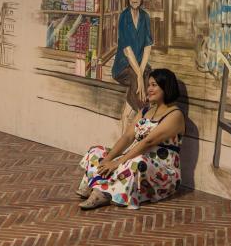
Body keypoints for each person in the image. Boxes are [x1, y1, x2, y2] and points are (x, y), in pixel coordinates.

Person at [77, 68, 184, 210]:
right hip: (135, 154)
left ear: (166, 87)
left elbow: (148, 142)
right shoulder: (145, 111)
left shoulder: (175, 115)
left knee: (136, 161)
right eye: (148, 85)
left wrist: (117, 162)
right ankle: (94, 184)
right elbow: (127, 137)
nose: (149, 89)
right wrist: (108, 159)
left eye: (154, 85)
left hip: (161, 170)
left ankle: (103, 193)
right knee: (96, 151)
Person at [112, 0, 154, 132]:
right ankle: (145, 126)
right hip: (123, 67)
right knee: (138, 84)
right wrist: (139, 76)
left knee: (149, 79)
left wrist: (141, 73)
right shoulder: (124, 17)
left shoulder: (145, 17)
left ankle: (125, 121)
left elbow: (148, 46)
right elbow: (128, 52)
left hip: (138, 67)